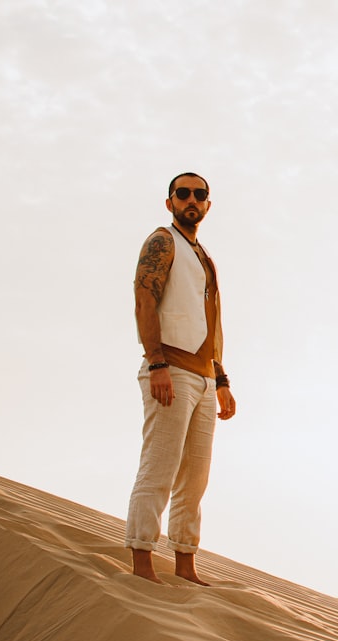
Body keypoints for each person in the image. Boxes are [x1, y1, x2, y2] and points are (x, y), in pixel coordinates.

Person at [125, 172, 237, 585]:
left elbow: (213, 321)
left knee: (195, 478)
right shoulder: (162, 240)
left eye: (200, 194)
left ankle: (186, 563)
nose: (192, 199)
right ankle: (141, 561)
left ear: (208, 204)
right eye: (184, 193)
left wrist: (221, 379)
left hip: (205, 379)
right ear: (170, 201)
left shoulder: (204, 255)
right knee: (160, 467)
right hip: (170, 368)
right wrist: (156, 362)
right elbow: (144, 297)